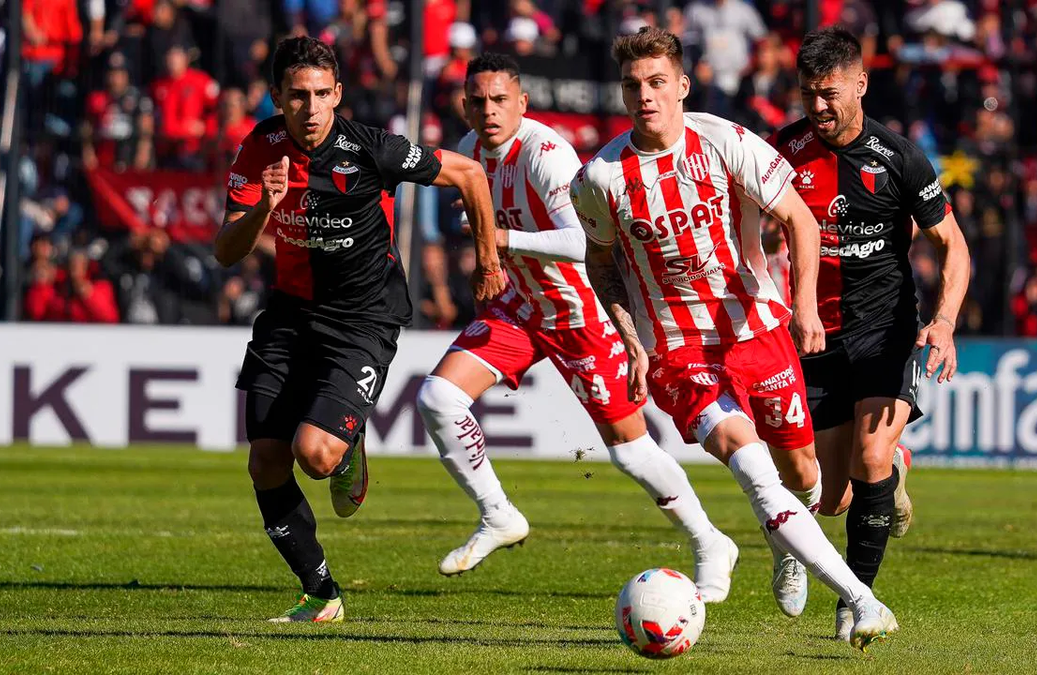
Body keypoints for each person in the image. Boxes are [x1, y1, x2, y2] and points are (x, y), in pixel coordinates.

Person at [570, 26, 898, 651]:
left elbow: (799, 218)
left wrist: (803, 307)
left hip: (757, 329)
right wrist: (632, 338)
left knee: (807, 478)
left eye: (657, 83)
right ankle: (863, 599)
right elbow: (601, 262)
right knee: (752, 467)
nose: (645, 96)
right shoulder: (602, 176)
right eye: (633, 86)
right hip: (677, 351)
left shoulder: (726, 141)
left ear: (683, 87)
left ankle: (791, 550)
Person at [415, 53, 739, 602]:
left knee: (628, 451)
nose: (488, 111)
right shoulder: (468, 154)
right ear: (464, 106)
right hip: (519, 307)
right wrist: (489, 264)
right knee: (438, 398)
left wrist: (500, 243)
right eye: (477, 101)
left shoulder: (545, 154)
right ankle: (498, 514)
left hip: (581, 314)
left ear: (522, 102)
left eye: (500, 100)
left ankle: (710, 542)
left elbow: (581, 243)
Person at [215, 36, 505, 623]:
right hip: (290, 314)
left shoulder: (370, 150)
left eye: (323, 95)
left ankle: (349, 447)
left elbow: (471, 173)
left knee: (316, 456)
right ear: (277, 98)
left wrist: (488, 262)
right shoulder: (258, 149)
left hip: (363, 321)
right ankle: (320, 593)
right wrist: (263, 211)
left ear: (338, 94)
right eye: (298, 96)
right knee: (266, 462)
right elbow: (225, 250)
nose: (311, 108)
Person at [769, 26, 970, 641]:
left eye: (830, 93)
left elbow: (953, 246)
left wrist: (943, 322)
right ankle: (895, 469)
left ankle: (856, 604)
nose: (819, 106)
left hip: (885, 328)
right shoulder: (785, 151)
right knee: (830, 498)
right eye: (808, 94)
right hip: (814, 335)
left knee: (870, 456)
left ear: (860, 82)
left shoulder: (901, 158)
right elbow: (753, 234)